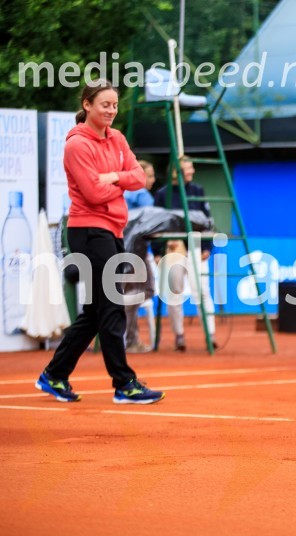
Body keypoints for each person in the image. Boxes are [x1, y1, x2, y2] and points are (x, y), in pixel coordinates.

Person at [34, 80, 164, 404]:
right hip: (89, 232)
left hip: (111, 230)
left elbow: (138, 176)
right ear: (87, 104)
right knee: (111, 306)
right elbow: (93, 193)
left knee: (94, 312)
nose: (110, 110)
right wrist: (119, 182)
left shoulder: (117, 138)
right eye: (104, 104)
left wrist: (114, 177)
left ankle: (54, 374)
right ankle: (124, 384)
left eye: (115, 105)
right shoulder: (77, 145)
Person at [154, 156, 216, 352]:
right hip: (172, 249)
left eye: (191, 168)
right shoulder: (163, 194)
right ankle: (179, 334)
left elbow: (207, 220)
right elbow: (154, 222)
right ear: (176, 171)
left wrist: (207, 246)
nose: (192, 172)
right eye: (188, 169)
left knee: (203, 291)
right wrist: (157, 250)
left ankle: (210, 334)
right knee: (174, 293)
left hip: (195, 247)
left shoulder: (197, 190)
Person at [124, 159, 157, 353]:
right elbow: (151, 222)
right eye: (149, 176)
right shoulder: (142, 194)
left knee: (126, 294)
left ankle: (126, 338)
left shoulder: (121, 191)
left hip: (119, 248)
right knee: (143, 291)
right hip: (136, 250)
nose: (152, 180)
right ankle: (130, 340)